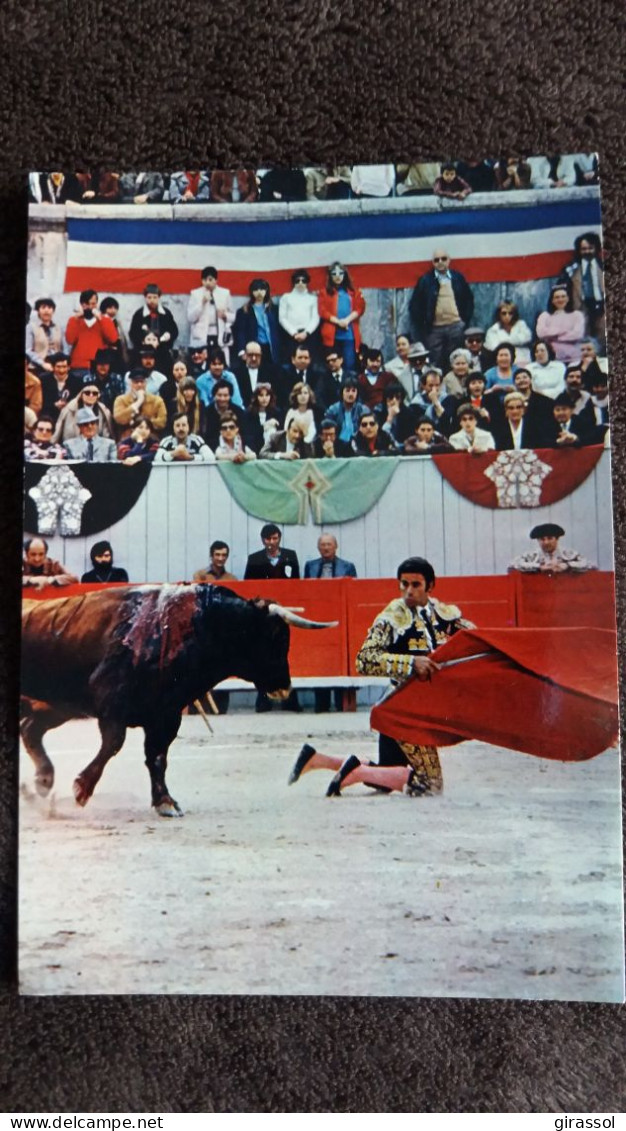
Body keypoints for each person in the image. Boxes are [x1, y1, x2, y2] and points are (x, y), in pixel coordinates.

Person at [288, 557, 473, 796]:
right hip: (402, 710)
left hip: (420, 708)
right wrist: (410, 663)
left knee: (386, 777)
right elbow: (363, 660)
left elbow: (476, 637)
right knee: (430, 785)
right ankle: (358, 772)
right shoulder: (392, 616)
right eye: (404, 584)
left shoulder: (443, 614)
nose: (409, 591)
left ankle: (319, 760)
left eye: (416, 585)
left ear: (430, 586)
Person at [245, 524, 301, 713]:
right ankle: (263, 699)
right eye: (268, 539)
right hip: (263, 617)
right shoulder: (254, 559)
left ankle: (290, 700)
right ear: (263, 540)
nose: (271, 542)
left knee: (284, 656)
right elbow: (249, 588)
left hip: (284, 614)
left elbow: (297, 586)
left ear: (279, 538)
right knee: (264, 655)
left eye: (275, 538)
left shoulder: (290, 556)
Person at [304, 534, 357, 713]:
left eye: (329, 544)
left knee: (341, 659)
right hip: (318, 619)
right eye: (323, 545)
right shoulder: (310, 566)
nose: (326, 548)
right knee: (320, 661)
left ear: (336, 546)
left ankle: (341, 704)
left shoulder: (348, 566)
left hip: (340, 620)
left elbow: (353, 594)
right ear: (318, 548)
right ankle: (321, 704)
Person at [409, 248, 474, 372]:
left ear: (449, 261)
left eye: (443, 259)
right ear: (432, 263)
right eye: (436, 260)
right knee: (435, 361)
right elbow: (415, 305)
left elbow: (468, 299)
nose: (440, 262)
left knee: (455, 360)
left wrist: (464, 320)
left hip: (456, 326)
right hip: (434, 329)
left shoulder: (457, 278)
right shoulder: (425, 280)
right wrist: (424, 324)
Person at [559, 232, 605, 348]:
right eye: (584, 249)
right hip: (581, 306)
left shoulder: (603, 265)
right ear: (579, 250)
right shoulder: (571, 268)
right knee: (583, 338)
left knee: (603, 336)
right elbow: (562, 288)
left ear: (596, 248)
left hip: (601, 306)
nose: (587, 252)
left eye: (590, 248)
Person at [318, 262, 365, 373]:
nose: (338, 276)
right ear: (330, 276)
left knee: (350, 365)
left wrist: (347, 320)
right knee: (332, 366)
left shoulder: (354, 292)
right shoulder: (324, 292)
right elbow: (322, 311)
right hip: (331, 337)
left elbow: (360, 308)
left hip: (349, 335)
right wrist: (338, 322)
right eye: (334, 273)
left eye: (340, 273)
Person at [65, 290, 118, 380]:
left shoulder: (105, 320)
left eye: (93, 304)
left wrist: (100, 318)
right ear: (82, 305)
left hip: (99, 367)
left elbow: (113, 339)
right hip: (78, 366)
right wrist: (76, 318)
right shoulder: (74, 320)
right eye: (86, 304)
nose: (90, 307)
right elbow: (70, 340)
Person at [128, 283, 178, 373]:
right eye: (149, 297)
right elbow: (133, 333)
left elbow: (174, 331)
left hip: (162, 350)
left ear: (159, 297)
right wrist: (144, 341)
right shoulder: (139, 314)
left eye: (155, 297)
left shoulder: (166, 314)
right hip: (143, 351)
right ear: (145, 297)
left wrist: (164, 339)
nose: (152, 300)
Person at [187, 266, 235, 356]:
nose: (207, 283)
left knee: (220, 360)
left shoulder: (225, 293)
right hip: (201, 335)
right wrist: (202, 303)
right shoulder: (195, 294)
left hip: (220, 334)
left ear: (216, 280)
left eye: (210, 279)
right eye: (204, 280)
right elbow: (190, 318)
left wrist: (225, 315)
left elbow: (233, 316)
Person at [509, 524, 595, 573]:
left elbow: (591, 565)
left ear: (557, 539)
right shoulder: (532, 556)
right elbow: (512, 565)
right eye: (542, 539)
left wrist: (568, 566)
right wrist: (539, 567)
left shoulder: (568, 554)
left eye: (550, 538)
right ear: (538, 541)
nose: (546, 542)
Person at [233, 278, 281, 363]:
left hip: (271, 349)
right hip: (254, 348)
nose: (259, 292)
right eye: (256, 289)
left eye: (262, 289)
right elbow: (240, 332)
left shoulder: (274, 309)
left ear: (266, 291)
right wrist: (242, 351)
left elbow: (279, 331)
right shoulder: (244, 310)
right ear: (251, 292)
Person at [535, 284, 585, 365]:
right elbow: (541, 333)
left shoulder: (577, 315)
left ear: (568, 298)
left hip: (574, 358)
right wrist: (564, 331)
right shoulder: (545, 315)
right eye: (557, 297)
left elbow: (577, 334)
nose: (560, 299)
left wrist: (553, 337)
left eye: (563, 296)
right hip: (553, 359)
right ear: (552, 300)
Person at [278, 270, 320, 360]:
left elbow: (315, 318)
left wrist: (306, 333)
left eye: (303, 280)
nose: (300, 283)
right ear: (294, 282)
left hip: (309, 336)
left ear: (307, 282)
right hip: (290, 336)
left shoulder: (313, 299)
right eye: (297, 280)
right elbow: (282, 318)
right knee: (291, 362)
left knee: (308, 361)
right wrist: (294, 333)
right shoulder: (286, 297)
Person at [113, 370, 167, 438]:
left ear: (146, 383)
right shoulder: (121, 400)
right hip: (128, 437)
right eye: (136, 382)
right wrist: (138, 402)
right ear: (130, 383)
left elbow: (162, 423)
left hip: (151, 437)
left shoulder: (157, 400)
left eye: (142, 382)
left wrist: (140, 422)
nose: (139, 385)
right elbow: (119, 419)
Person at [231, 341, 280, 405]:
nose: (254, 358)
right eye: (250, 355)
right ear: (245, 355)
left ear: (261, 355)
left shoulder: (271, 373)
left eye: (257, 355)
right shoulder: (236, 374)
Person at [325, 376, 368, 445]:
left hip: (359, 444)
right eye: (347, 391)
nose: (350, 394)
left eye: (353, 391)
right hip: (337, 444)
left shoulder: (363, 410)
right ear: (342, 392)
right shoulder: (333, 410)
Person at [39, 353, 82, 421]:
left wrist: (68, 405)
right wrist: (54, 405)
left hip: (70, 416)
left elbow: (79, 402)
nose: (61, 370)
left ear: (69, 367)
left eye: (64, 367)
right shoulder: (44, 380)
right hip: (49, 415)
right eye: (58, 367)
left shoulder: (76, 381)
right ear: (53, 367)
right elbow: (41, 402)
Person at [25, 298, 64, 373]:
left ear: (53, 310)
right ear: (38, 311)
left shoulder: (59, 328)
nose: (46, 310)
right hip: (36, 367)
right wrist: (42, 363)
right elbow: (28, 350)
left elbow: (64, 349)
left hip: (56, 368)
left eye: (49, 308)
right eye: (43, 307)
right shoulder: (31, 327)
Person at [243, 383, 283, 454]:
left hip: (272, 449)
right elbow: (249, 435)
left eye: (267, 395)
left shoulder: (276, 412)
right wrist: (264, 427)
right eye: (261, 395)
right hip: (254, 448)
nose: (264, 398)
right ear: (256, 397)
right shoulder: (249, 413)